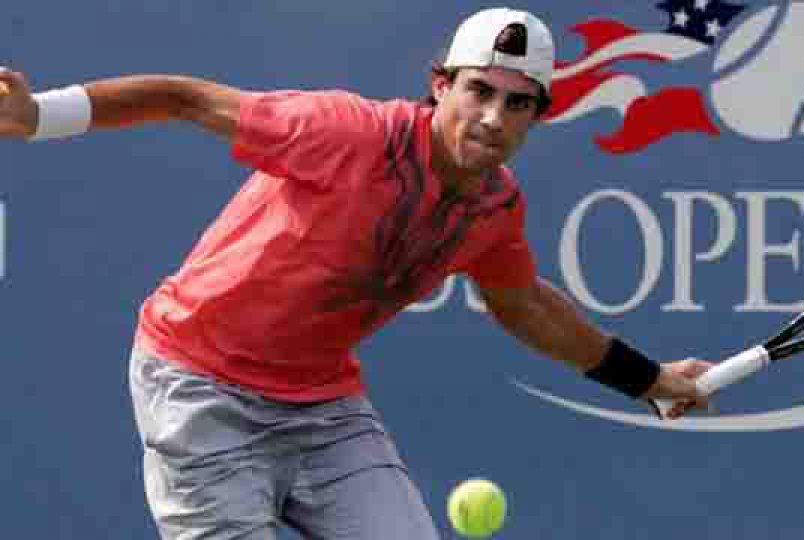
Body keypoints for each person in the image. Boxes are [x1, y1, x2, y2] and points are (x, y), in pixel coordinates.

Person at [0, 7, 711, 540]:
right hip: (198, 387)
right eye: (478, 92)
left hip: (320, 409)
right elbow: (185, 98)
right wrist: (39, 117)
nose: (493, 118)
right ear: (441, 87)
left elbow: (524, 304)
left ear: (536, 116)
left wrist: (648, 382)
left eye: (517, 103)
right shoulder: (345, 132)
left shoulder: (493, 209)